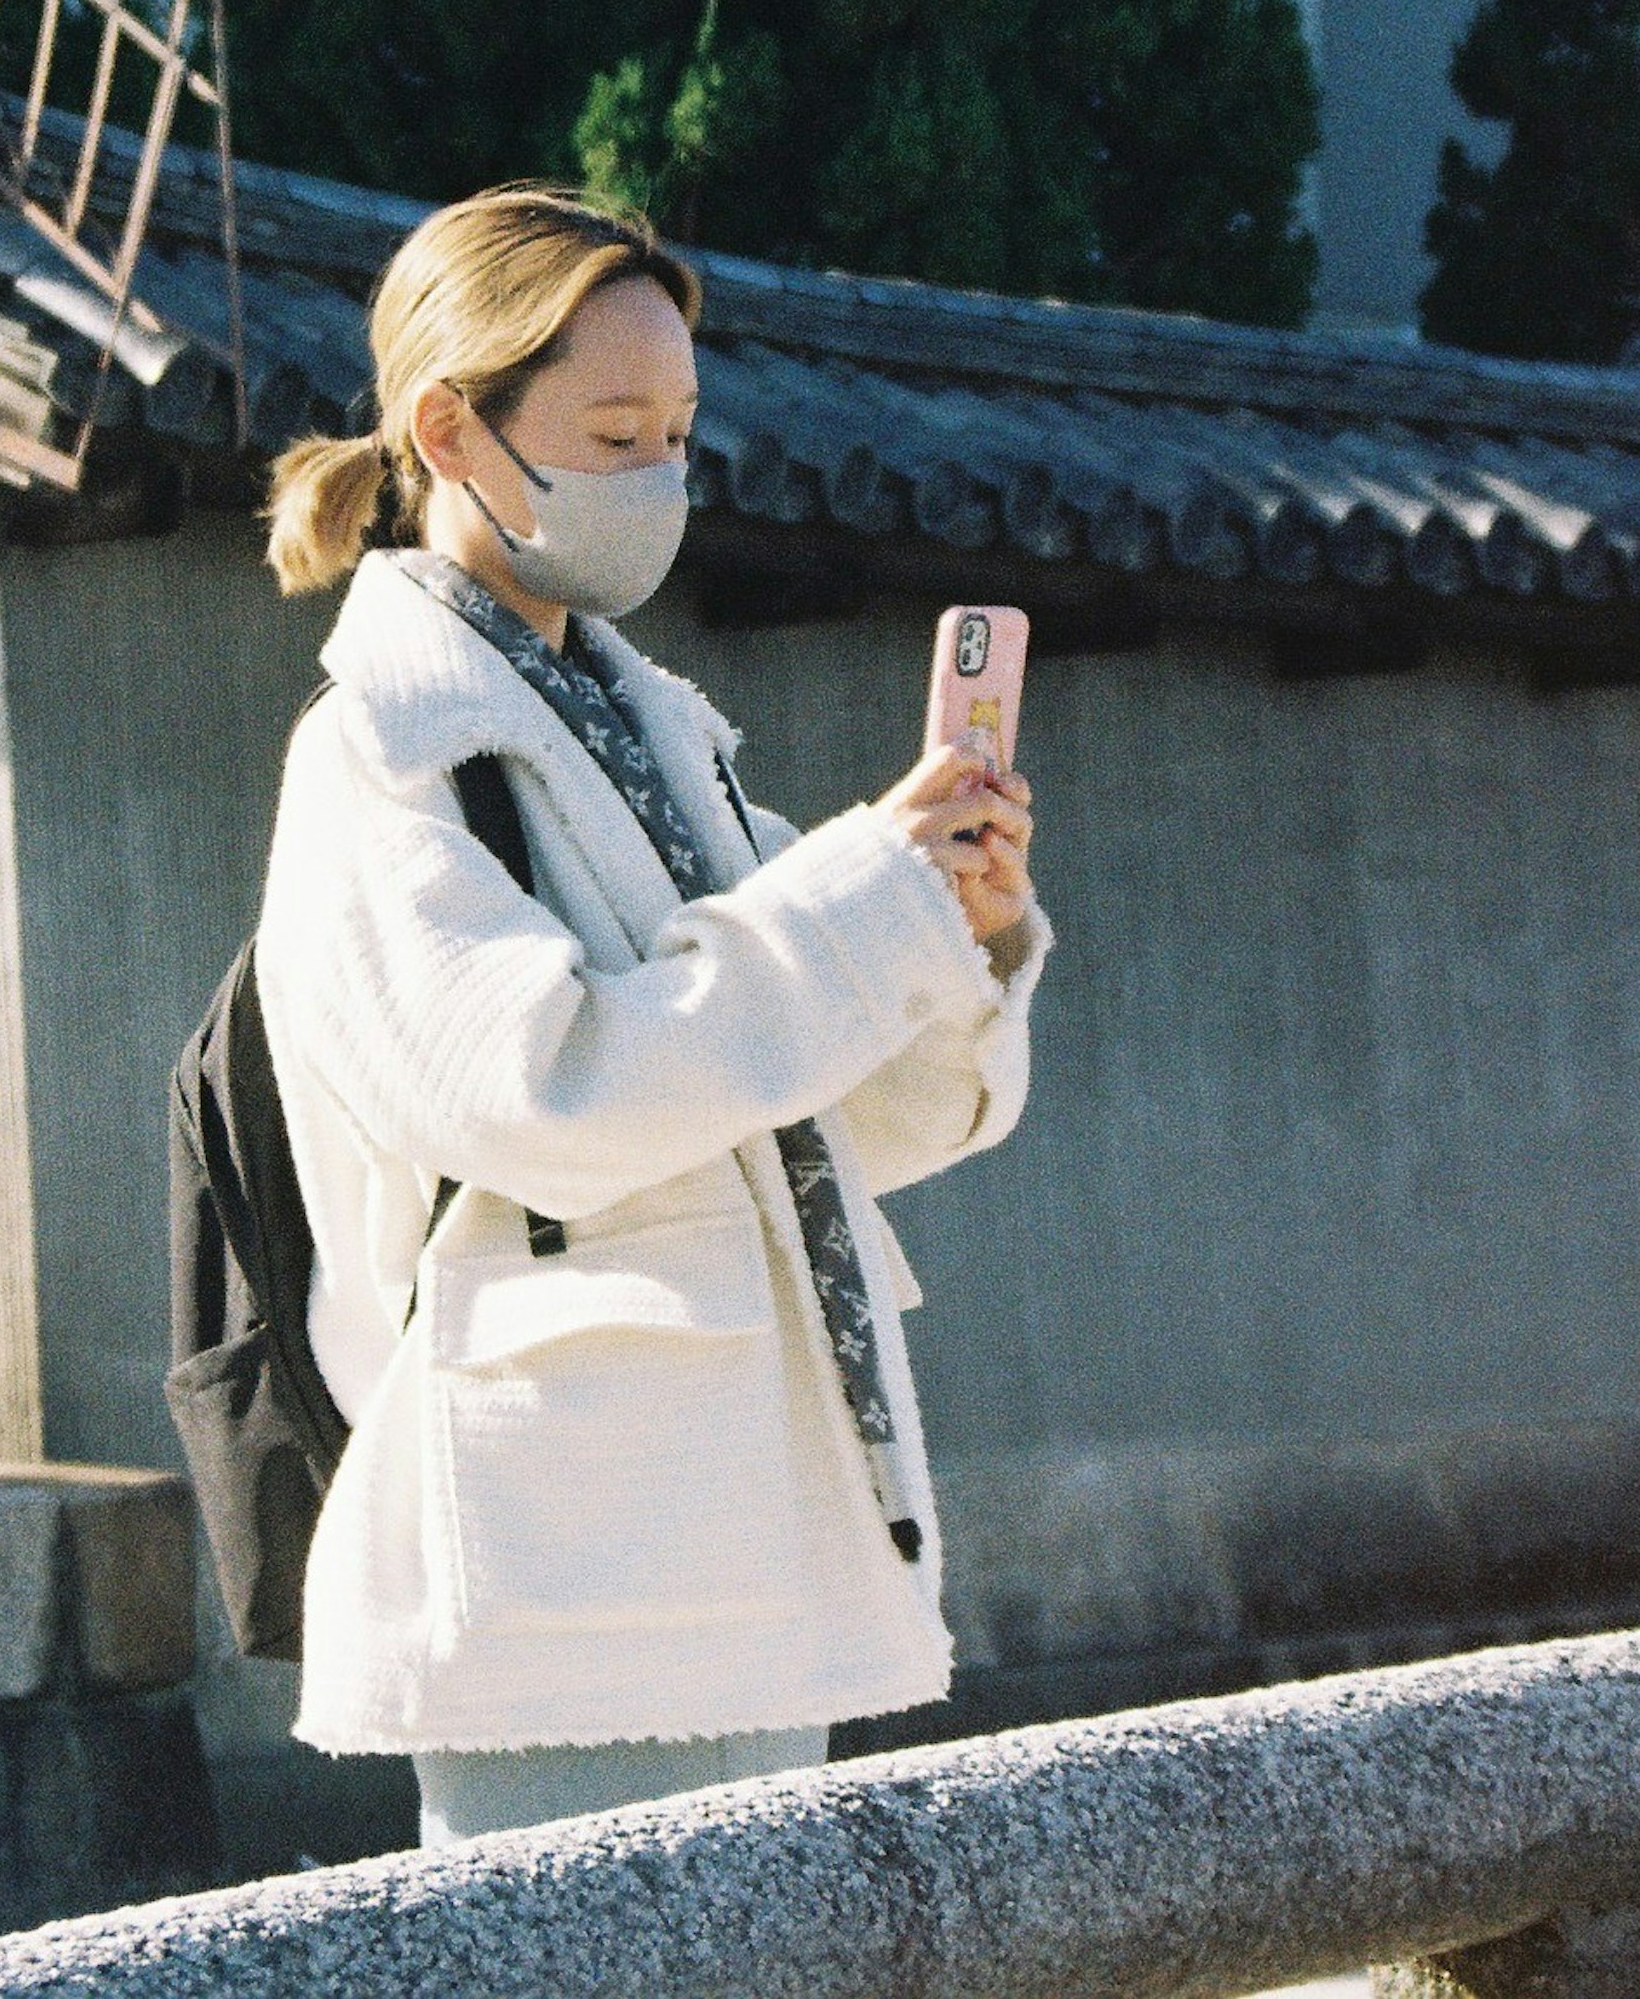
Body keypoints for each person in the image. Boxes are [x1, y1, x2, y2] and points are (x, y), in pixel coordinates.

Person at [252, 184, 1048, 1847]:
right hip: (559, 1554)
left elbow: (851, 1109)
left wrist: (953, 933)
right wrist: (858, 904)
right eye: (614, 430)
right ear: (450, 429)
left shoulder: (662, 729)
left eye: (678, 429)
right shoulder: (381, 755)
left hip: (737, 1527)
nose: (658, 476)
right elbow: (545, 1089)